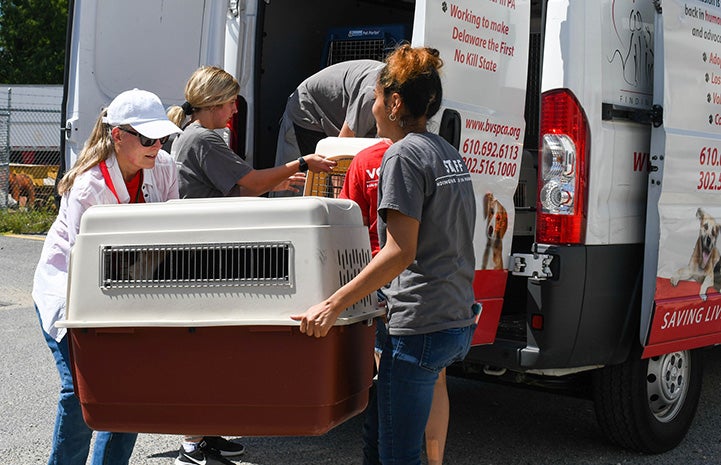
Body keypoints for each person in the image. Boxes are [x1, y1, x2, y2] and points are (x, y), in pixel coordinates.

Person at [291, 45, 477, 465]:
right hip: (454, 319)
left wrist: (332, 305)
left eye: (374, 98)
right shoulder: (447, 152)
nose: (371, 107)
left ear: (394, 103)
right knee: (379, 441)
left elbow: (399, 251)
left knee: (396, 452)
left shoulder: (401, 155)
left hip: (417, 326)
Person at [32, 88, 183, 465]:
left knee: (129, 392)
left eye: (160, 136)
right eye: (147, 138)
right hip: (71, 290)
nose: (157, 145)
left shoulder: (164, 167)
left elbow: (175, 231)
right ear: (118, 136)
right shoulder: (89, 186)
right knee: (83, 392)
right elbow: (90, 269)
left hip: (131, 289)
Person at [168, 66, 336, 199]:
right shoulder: (203, 139)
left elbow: (229, 194)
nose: (235, 110)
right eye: (232, 102)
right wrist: (302, 163)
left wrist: (271, 184)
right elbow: (253, 182)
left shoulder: (187, 133)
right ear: (213, 104)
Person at [274, 59, 385, 169]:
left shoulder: (392, 92)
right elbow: (342, 147)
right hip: (307, 112)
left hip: (334, 120)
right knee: (301, 180)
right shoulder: (372, 94)